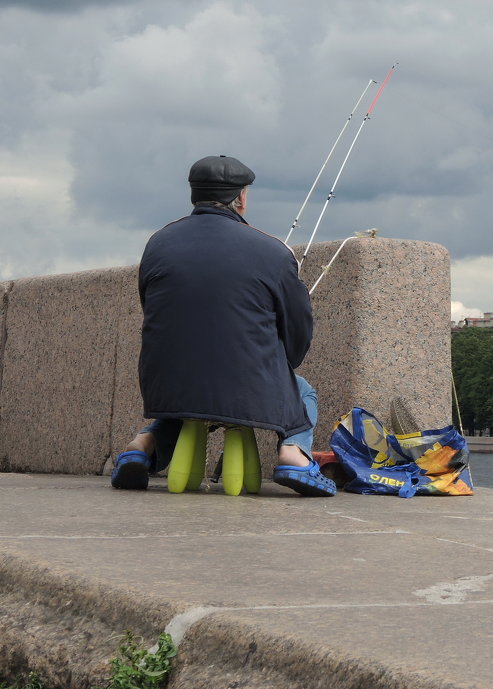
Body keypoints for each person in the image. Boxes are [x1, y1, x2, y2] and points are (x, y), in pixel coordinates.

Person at [111, 155, 335, 496]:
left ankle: (141, 446)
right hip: (245, 386)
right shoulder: (273, 252)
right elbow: (298, 333)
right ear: (242, 198)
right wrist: (282, 366)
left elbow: (151, 309)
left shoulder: (158, 244)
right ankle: (294, 455)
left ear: (194, 195)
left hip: (165, 383)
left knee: (193, 398)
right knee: (302, 390)